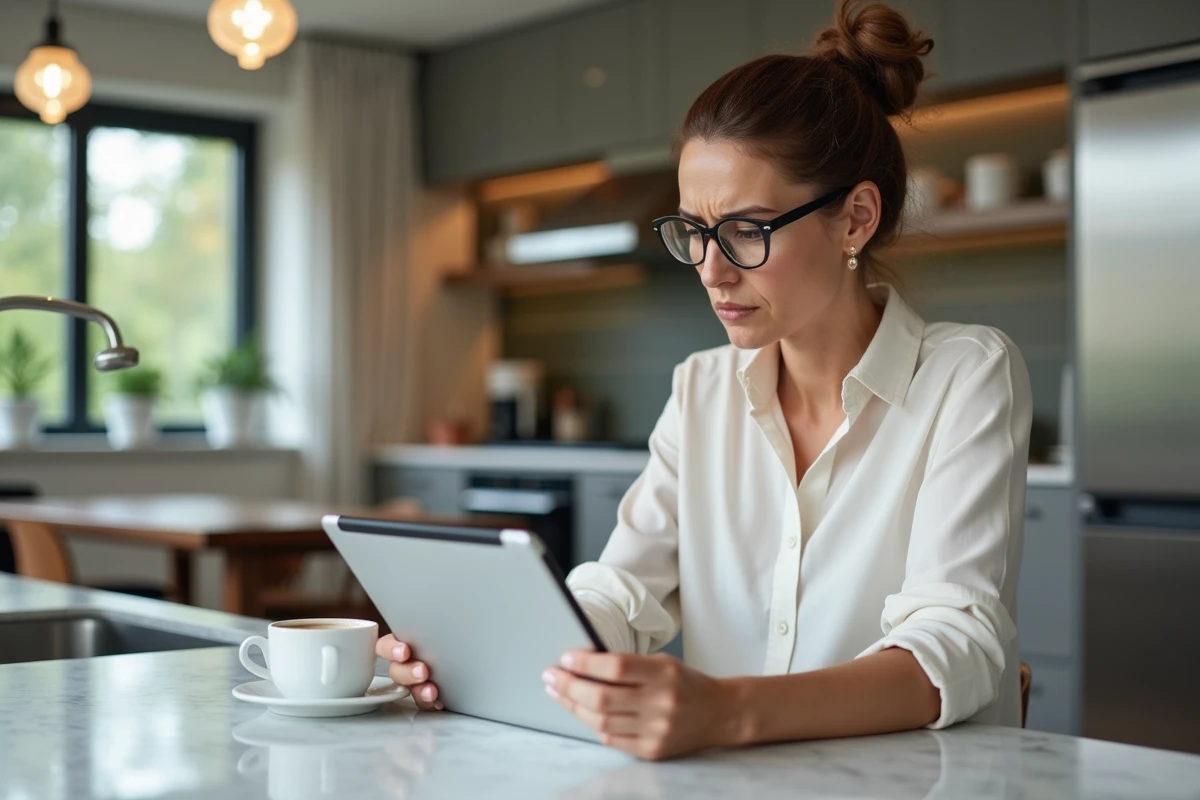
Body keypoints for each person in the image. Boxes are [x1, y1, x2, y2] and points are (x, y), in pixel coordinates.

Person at [378, 0, 1032, 761]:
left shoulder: (968, 375)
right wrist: (486, 645)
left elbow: (953, 644)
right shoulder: (703, 390)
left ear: (855, 218)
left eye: (746, 231)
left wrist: (725, 710)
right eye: (693, 231)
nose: (711, 271)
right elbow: (623, 594)